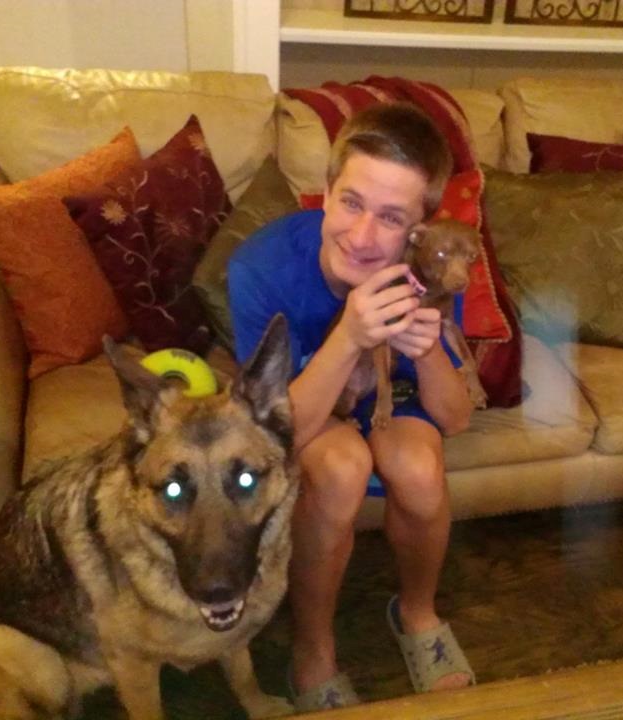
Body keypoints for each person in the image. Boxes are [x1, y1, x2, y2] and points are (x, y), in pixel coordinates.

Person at [228, 103, 476, 711]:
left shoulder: (431, 268)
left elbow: (455, 418)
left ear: (419, 230)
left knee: (420, 469)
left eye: (390, 218)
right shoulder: (259, 268)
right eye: (351, 203)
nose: (362, 237)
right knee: (339, 469)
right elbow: (274, 438)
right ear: (327, 188)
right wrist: (349, 337)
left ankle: (417, 613)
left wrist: (428, 350)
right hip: (308, 403)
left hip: (391, 398)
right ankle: (313, 649)